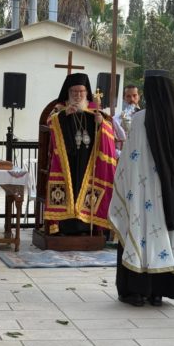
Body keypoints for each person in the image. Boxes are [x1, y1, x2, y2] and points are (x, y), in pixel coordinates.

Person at [109, 70, 174, 307]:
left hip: (144, 192)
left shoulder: (140, 119)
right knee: (165, 234)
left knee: (142, 231)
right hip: (173, 192)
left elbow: (129, 161)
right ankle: (159, 292)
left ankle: (137, 291)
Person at [44, 72, 116, 236]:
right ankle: (65, 227)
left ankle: (86, 227)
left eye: (81, 91)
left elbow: (109, 129)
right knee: (70, 190)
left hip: (89, 160)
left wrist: (101, 123)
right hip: (66, 160)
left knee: (87, 191)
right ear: (68, 92)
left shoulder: (94, 109)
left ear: (86, 92)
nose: (78, 95)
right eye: (74, 92)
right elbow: (50, 122)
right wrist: (64, 115)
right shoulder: (60, 108)